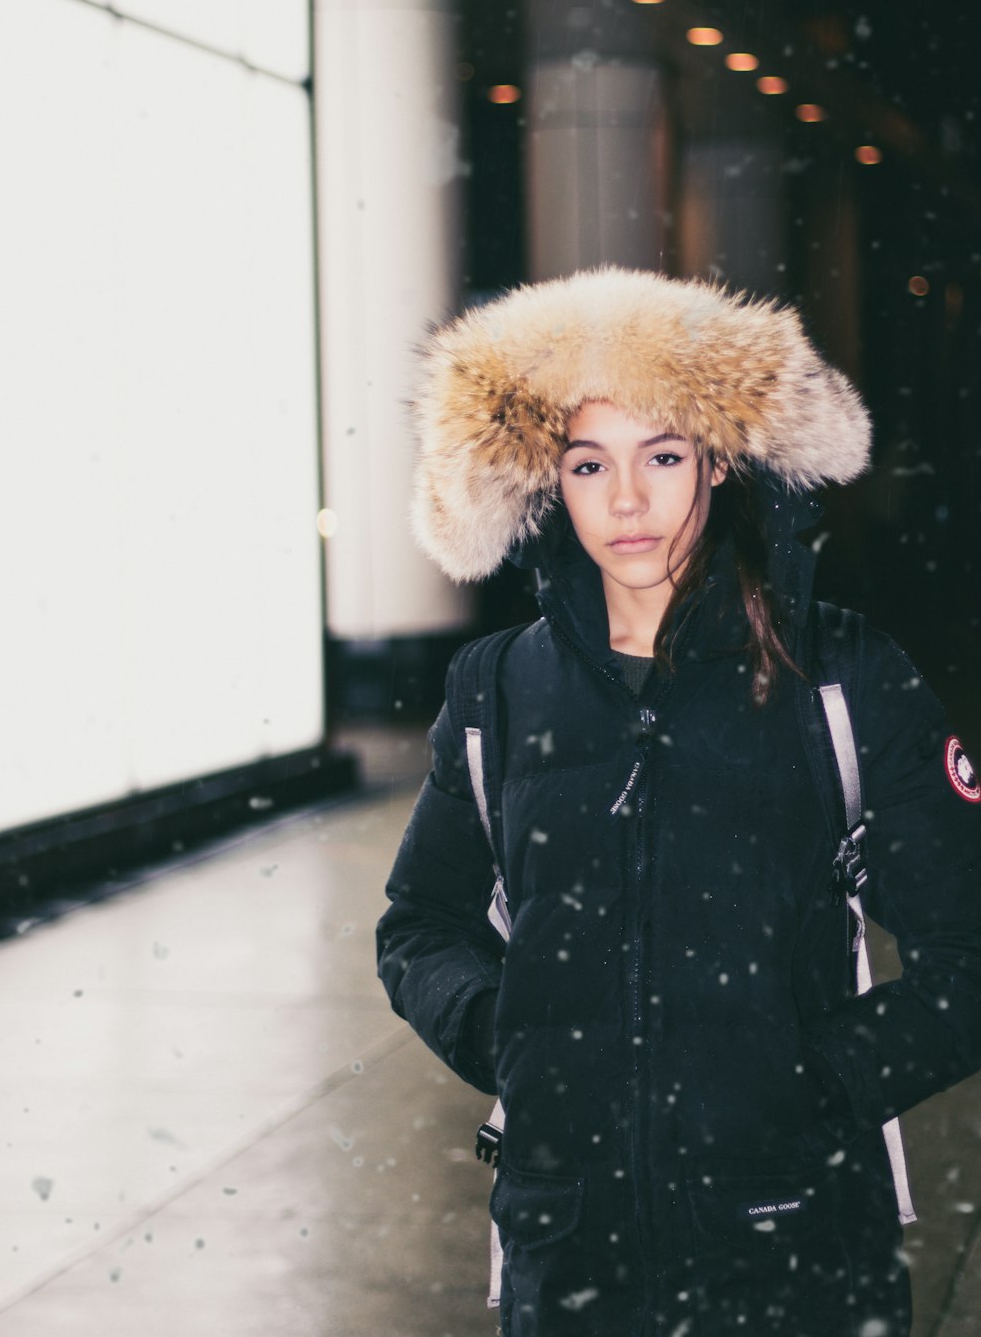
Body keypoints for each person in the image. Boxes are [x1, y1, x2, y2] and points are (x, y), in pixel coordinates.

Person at [376, 267, 981, 1337]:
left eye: (661, 455)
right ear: (543, 483)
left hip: (796, 1253)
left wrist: (809, 1082)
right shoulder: (497, 689)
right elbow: (419, 924)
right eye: (586, 462)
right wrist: (504, 1033)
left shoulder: (840, 675)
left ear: (716, 459)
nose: (626, 501)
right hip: (568, 1260)